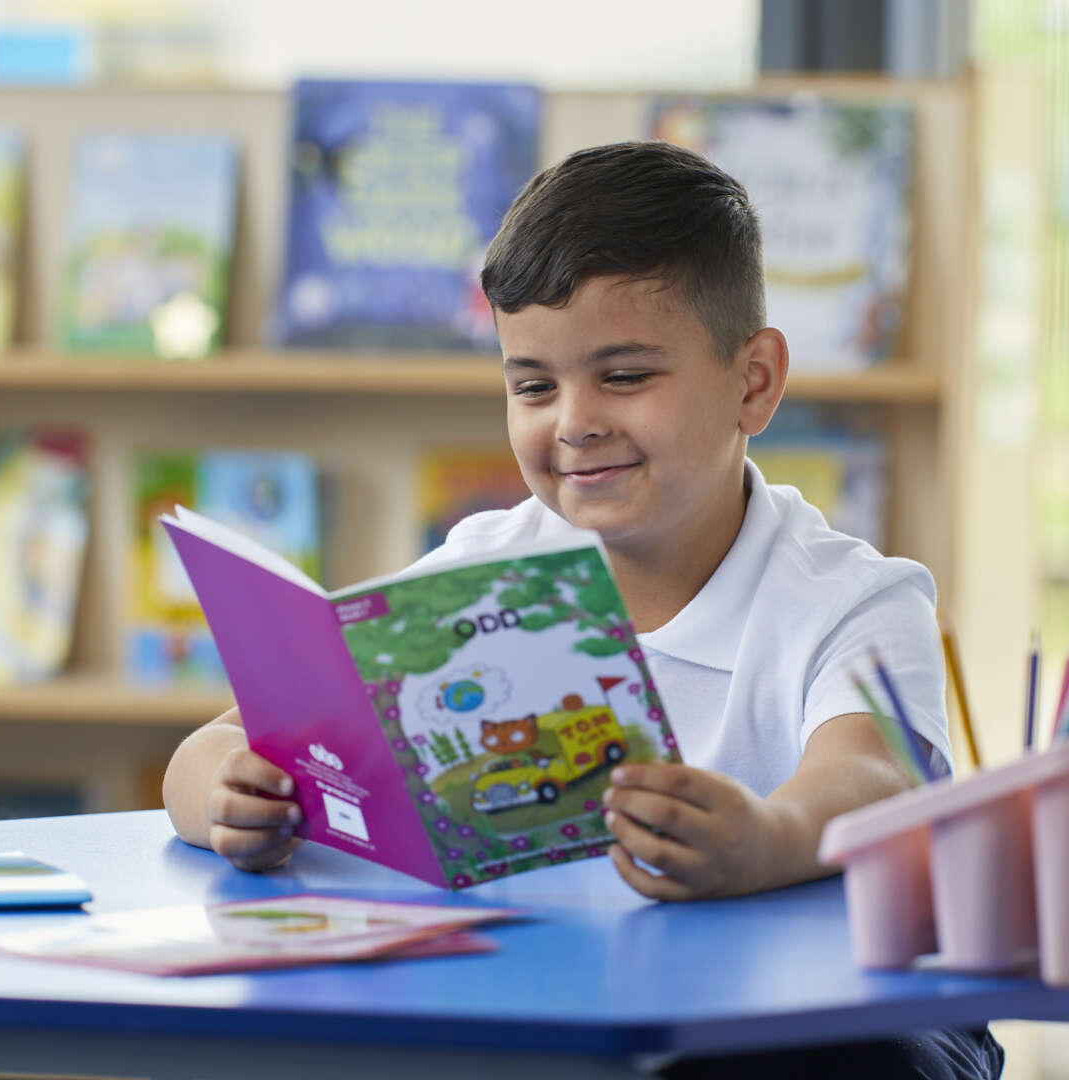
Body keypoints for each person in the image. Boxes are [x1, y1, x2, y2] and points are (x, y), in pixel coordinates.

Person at [162, 141, 1003, 1078]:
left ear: (753, 382)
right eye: (533, 385)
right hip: (560, 1002)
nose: (573, 422)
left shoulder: (855, 599)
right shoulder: (478, 572)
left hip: (817, 1021)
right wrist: (225, 795)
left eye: (626, 376)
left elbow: (874, 779)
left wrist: (763, 840)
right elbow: (212, 749)